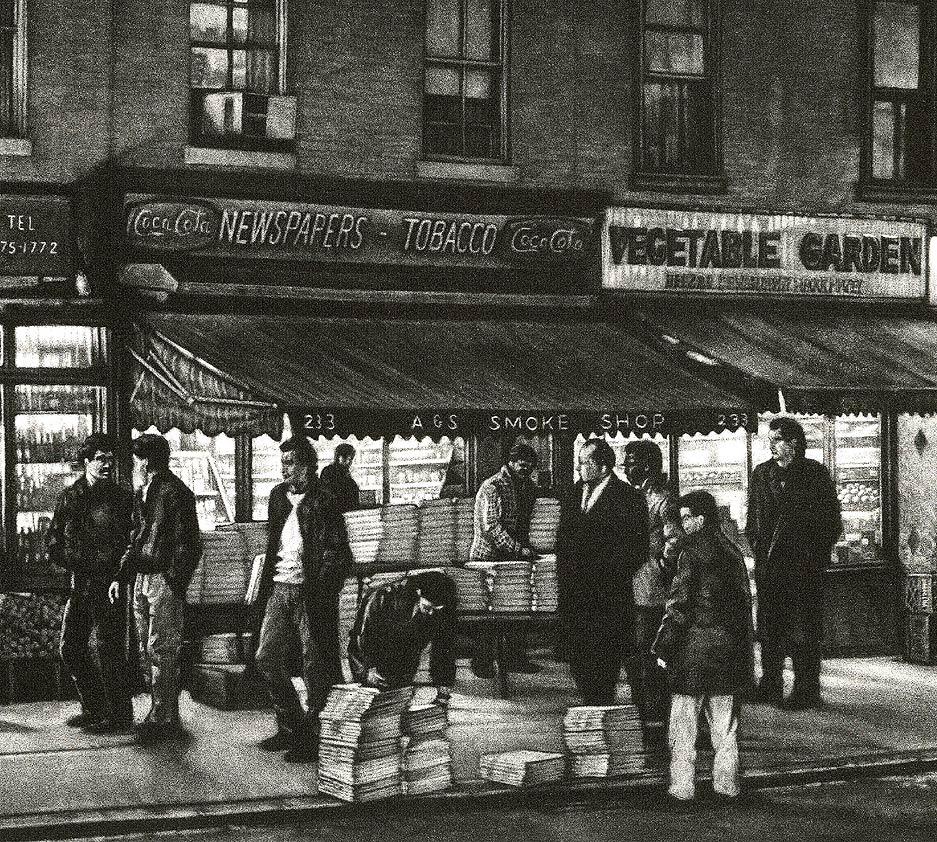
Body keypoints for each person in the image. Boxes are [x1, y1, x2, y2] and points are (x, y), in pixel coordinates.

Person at [653, 490, 754, 803]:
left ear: (701, 518)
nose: (682, 524)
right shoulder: (733, 552)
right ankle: (727, 785)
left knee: (684, 725)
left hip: (693, 651)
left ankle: (682, 787)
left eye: (686, 518)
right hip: (727, 650)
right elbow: (742, 607)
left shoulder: (689, 554)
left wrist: (662, 647)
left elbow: (678, 607)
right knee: (725, 726)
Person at [252, 436, 349, 762]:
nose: (284, 469)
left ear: (308, 466)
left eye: (291, 462)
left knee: (315, 665)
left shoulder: (325, 501)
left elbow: (338, 554)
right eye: (282, 463)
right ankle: (291, 725)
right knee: (266, 657)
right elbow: (273, 544)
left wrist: (322, 591)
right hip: (280, 587)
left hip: (311, 591)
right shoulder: (278, 497)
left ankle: (314, 737)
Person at [109, 433, 202, 744]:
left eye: (136, 462)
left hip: (162, 580)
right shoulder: (145, 493)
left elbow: (189, 546)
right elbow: (136, 539)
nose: (134, 468)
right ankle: (159, 711)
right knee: (147, 650)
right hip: (143, 579)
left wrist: (174, 582)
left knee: (161, 650)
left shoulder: (175, 493)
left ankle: (163, 716)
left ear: (145, 463)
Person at [746, 417, 842, 710]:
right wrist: (759, 552)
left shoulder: (815, 474)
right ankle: (771, 684)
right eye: (770, 439)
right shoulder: (762, 474)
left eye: (776, 439)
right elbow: (753, 519)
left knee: (804, 632)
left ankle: (806, 689)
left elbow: (831, 523)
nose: (771, 445)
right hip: (770, 568)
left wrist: (811, 557)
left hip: (803, 570)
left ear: (794, 443)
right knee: (770, 630)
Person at [46, 433, 134, 733]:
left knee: (110, 651)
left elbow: (129, 542)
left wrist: (116, 574)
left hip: (109, 584)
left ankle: (119, 716)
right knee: (71, 647)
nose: (107, 464)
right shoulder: (71, 496)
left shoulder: (121, 498)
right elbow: (54, 539)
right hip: (81, 582)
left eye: (110, 459)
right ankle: (95, 708)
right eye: (100, 459)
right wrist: (72, 562)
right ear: (86, 462)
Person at [557, 438, 649, 705]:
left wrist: (606, 575)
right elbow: (563, 540)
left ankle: (601, 714)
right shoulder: (574, 493)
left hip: (608, 599)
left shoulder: (628, 498)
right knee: (580, 662)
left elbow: (637, 549)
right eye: (579, 462)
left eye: (585, 462)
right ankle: (591, 708)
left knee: (605, 663)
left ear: (604, 466)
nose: (579, 468)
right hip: (575, 599)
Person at [468, 441, 541, 677]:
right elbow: (491, 528)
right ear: (510, 462)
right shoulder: (492, 487)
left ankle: (514, 659)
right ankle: (482, 663)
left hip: (513, 556)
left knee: (516, 606)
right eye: (522, 465)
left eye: (530, 467)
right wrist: (519, 549)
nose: (526, 470)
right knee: (488, 611)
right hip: (487, 557)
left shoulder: (528, 486)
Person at [624, 439, 678, 725]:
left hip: (651, 590)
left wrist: (659, 566)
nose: (625, 467)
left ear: (646, 465)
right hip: (634, 586)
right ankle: (644, 713)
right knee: (636, 654)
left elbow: (674, 541)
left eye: (630, 462)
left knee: (650, 653)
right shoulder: (633, 494)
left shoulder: (662, 499)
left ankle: (655, 716)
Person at [347, 570, 456, 706]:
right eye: (427, 607)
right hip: (367, 659)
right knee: (371, 706)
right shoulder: (383, 597)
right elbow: (364, 636)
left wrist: (443, 688)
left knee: (398, 707)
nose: (431, 613)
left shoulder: (440, 610)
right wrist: (370, 669)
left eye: (436, 609)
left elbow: (443, 646)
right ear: (418, 592)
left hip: (404, 664)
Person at [319, 443, 359, 514]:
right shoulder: (329, 471)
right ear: (339, 457)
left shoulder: (344, 472)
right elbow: (328, 493)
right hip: (332, 512)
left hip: (346, 511)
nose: (349, 462)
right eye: (347, 459)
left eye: (351, 459)